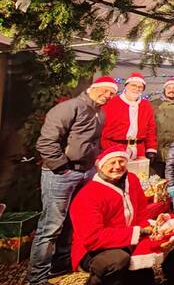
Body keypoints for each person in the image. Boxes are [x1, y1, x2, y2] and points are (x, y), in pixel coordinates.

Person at [29, 76, 118, 285]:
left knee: (73, 222)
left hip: (85, 173)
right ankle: (38, 277)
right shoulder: (70, 108)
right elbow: (46, 142)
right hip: (62, 174)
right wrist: (62, 168)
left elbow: (92, 143)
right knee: (51, 226)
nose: (108, 96)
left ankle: (61, 267)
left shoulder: (100, 113)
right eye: (105, 91)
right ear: (93, 88)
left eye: (112, 93)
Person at [69, 146, 155, 285]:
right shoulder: (88, 195)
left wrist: (148, 231)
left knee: (145, 277)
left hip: (127, 241)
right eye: (112, 162)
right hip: (94, 250)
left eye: (121, 161)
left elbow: (142, 212)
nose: (117, 166)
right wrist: (136, 233)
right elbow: (92, 238)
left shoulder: (132, 180)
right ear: (101, 167)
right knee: (118, 261)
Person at [101, 72, 157, 161]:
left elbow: (151, 129)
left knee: (138, 174)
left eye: (140, 87)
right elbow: (100, 125)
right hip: (113, 147)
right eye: (133, 85)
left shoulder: (146, 105)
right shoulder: (112, 102)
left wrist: (151, 148)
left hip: (139, 149)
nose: (137, 89)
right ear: (126, 86)